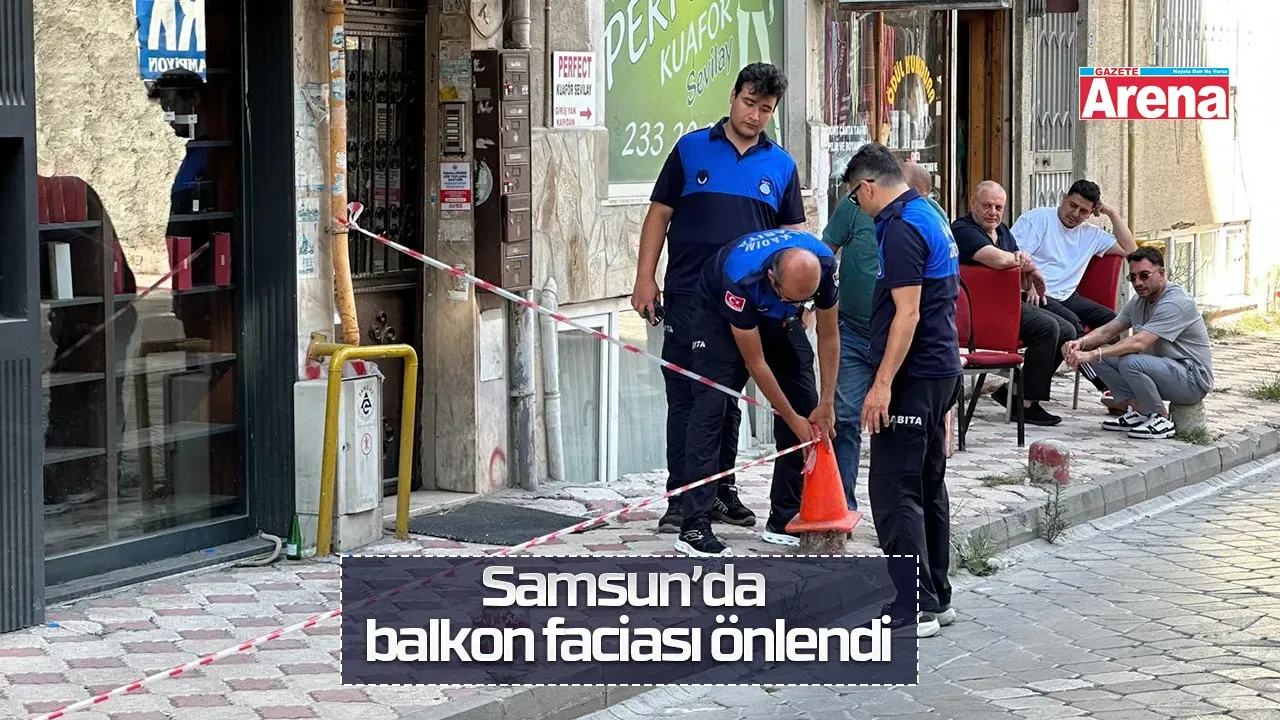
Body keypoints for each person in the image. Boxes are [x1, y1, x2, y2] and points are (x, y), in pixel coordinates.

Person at [630, 62, 806, 535]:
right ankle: (681, 498)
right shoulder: (691, 149)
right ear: (732, 96)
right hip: (689, 295)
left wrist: (794, 303)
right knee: (687, 398)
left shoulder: (781, 165)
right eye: (749, 103)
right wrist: (645, 278)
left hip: (749, 304)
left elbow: (793, 238)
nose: (754, 115)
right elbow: (658, 215)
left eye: (765, 109)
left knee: (728, 401)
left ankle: (721, 492)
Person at [842, 142, 962, 638]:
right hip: (940, 369)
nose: (857, 206)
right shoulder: (928, 212)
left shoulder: (901, 228)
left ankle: (915, 607)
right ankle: (937, 594)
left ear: (868, 187)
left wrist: (881, 385)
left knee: (893, 489)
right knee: (927, 483)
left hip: (913, 375)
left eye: (854, 197)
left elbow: (907, 314)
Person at [676, 229, 840, 556]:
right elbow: (756, 363)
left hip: (779, 319)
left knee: (805, 403)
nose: (796, 304)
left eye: (803, 301)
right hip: (720, 317)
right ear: (772, 278)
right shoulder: (741, 276)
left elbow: (829, 335)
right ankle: (693, 527)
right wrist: (791, 419)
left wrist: (826, 402)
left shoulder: (823, 265)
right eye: (790, 298)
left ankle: (784, 517)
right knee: (711, 410)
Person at [952, 181, 1077, 426]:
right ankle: (1025, 404)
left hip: (1008, 307)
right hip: (980, 314)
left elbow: (1018, 267)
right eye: (986, 205)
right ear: (972, 204)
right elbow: (999, 260)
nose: (993, 212)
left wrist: (1029, 278)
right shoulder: (962, 230)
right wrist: (1029, 266)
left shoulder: (1002, 231)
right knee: (1047, 328)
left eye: (998, 207)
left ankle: (1015, 392)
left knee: (1068, 330)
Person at [1064, 247, 1214, 439]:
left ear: (1161, 273)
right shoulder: (1138, 301)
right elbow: (1108, 330)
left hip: (1192, 379)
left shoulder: (1176, 302)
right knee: (1099, 357)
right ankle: (1139, 411)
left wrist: (1093, 353)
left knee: (1129, 361)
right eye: (1133, 277)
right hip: (1163, 370)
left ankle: (1159, 417)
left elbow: (1139, 343)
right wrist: (1080, 343)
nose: (1138, 283)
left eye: (1144, 275)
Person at [1011, 180, 1138, 397]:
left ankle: (1119, 379)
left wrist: (1111, 212)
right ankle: (1106, 387)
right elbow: (1014, 255)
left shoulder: (1091, 234)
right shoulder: (1038, 219)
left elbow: (1132, 251)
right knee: (1073, 327)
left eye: (1083, 211)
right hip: (1036, 294)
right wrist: (1026, 282)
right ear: (1063, 197)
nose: (1075, 214)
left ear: (1091, 213)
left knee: (1113, 321)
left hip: (1067, 295)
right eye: (1072, 205)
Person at [822, 161, 879, 511]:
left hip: (898, 338)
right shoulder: (852, 207)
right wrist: (813, 300)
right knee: (844, 418)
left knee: (895, 422)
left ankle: (895, 508)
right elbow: (825, 250)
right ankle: (843, 504)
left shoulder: (922, 213)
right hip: (852, 332)